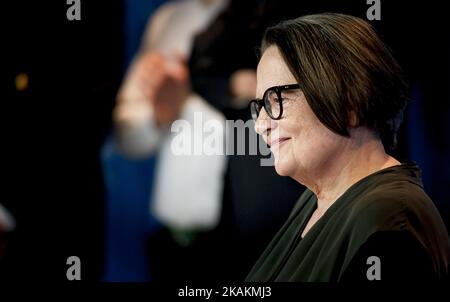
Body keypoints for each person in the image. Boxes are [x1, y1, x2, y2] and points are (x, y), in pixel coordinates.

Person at [246, 13, 450, 281]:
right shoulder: (317, 200)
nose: (261, 125)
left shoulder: (388, 223)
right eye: (260, 106)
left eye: (276, 99)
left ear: (350, 101)